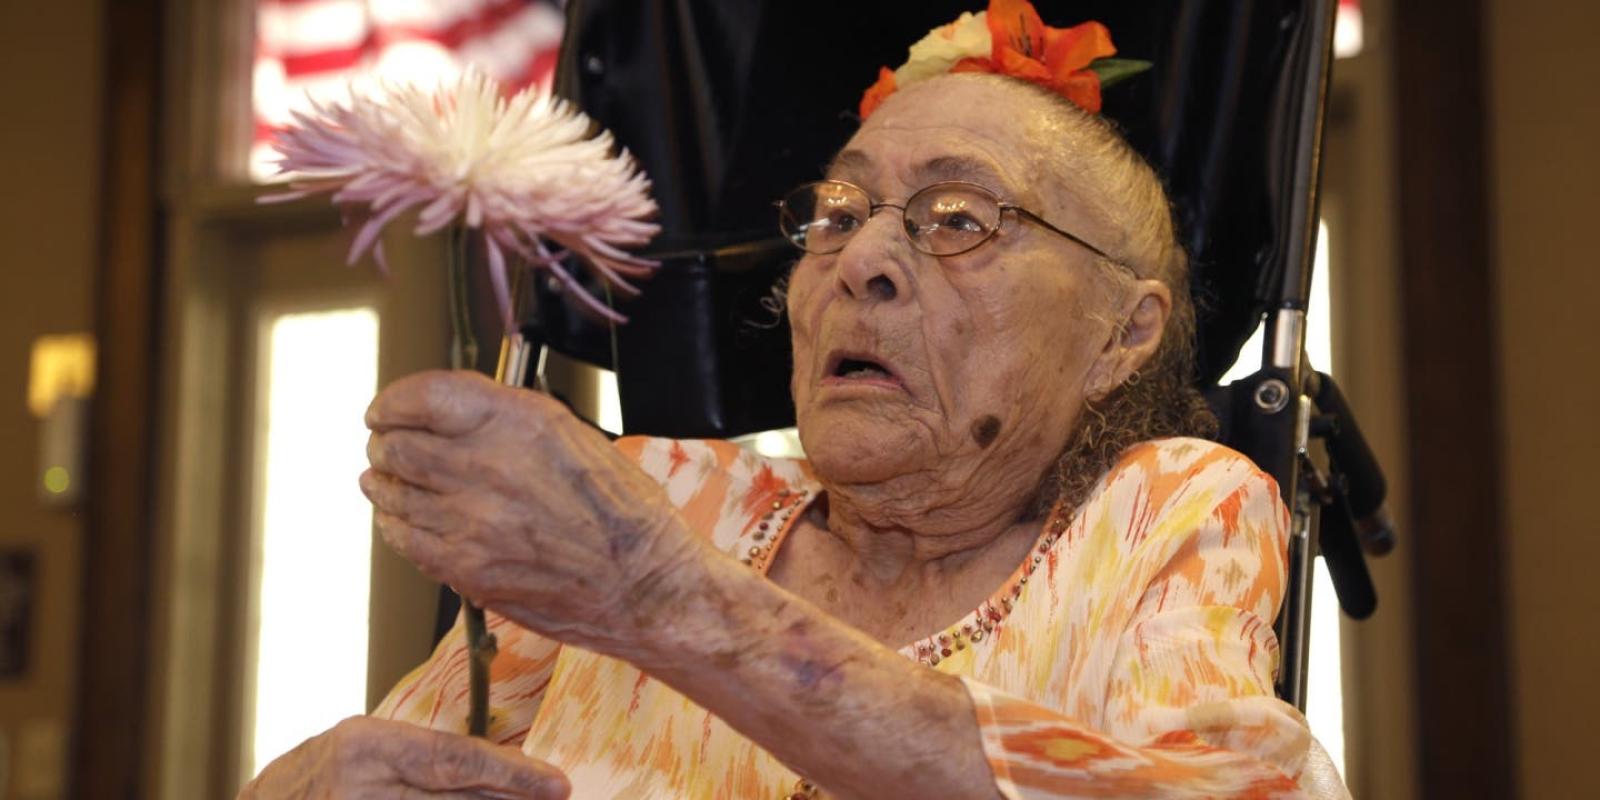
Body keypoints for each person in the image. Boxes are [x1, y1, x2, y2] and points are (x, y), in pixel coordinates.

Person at [242, 35, 1350, 800]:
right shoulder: (656, 493)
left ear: (1121, 333)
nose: (862, 259)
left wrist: (667, 602)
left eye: (959, 218)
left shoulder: (1163, 511)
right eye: (837, 213)